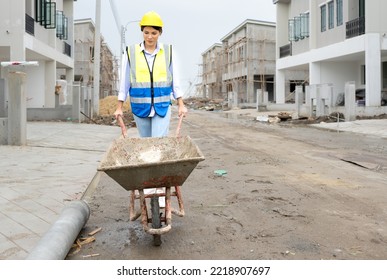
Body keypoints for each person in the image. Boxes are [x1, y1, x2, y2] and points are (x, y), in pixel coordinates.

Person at [114, 11, 187, 138]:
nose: (150, 37)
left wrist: (181, 104)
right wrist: (119, 107)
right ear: (142, 31)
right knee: (146, 143)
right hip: (140, 107)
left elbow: (175, 81)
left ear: (160, 33)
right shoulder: (131, 52)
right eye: (146, 32)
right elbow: (124, 83)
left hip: (162, 106)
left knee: (158, 143)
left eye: (154, 33)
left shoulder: (168, 51)